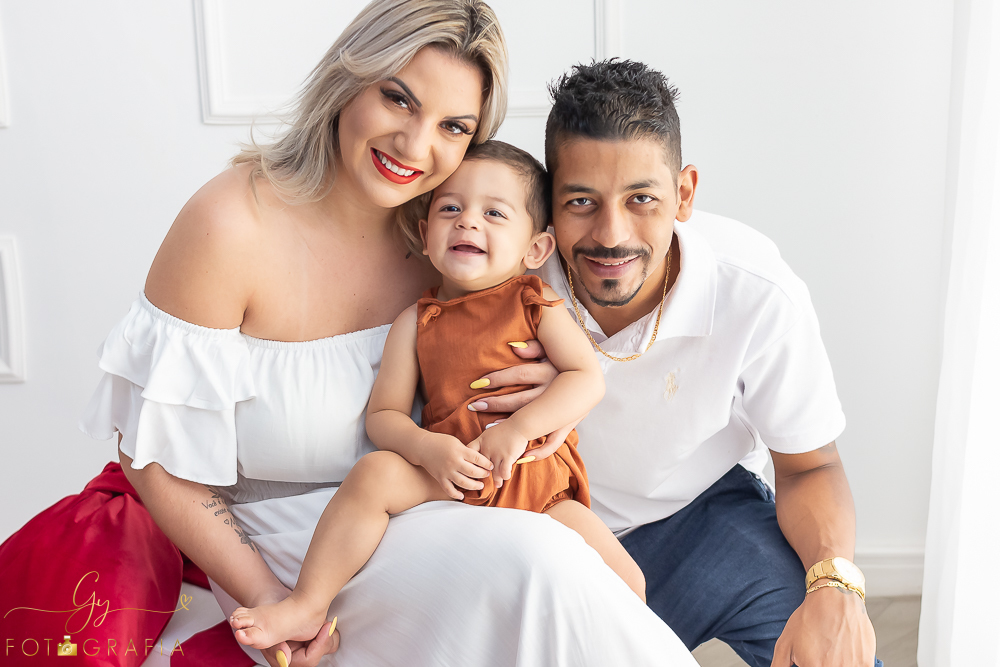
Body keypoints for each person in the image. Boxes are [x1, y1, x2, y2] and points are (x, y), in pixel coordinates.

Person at [79, 4, 695, 666]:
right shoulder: (231, 225)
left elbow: (609, 258)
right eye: (397, 99)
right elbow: (153, 458)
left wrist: (549, 386)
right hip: (292, 545)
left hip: (439, 506)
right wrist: (269, 591)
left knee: (579, 570)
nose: (414, 146)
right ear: (349, 78)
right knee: (535, 560)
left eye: (452, 126)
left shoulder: (446, 237)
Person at [465, 60, 882, 667]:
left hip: (701, 522)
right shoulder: (503, 272)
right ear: (548, 205)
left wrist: (836, 585)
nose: (612, 235)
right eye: (581, 201)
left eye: (642, 199)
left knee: (831, 643)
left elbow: (811, 466)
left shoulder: (757, 291)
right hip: (546, 532)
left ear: (684, 193)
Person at [227, 140, 647, 652]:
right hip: (453, 472)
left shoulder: (534, 301)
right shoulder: (416, 320)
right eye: (451, 208)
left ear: (535, 249)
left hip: (538, 487)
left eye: (494, 212)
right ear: (425, 235)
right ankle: (306, 603)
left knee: (629, 584)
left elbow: (586, 378)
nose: (468, 222)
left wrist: (518, 429)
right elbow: (383, 416)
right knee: (372, 474)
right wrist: (428, 449)